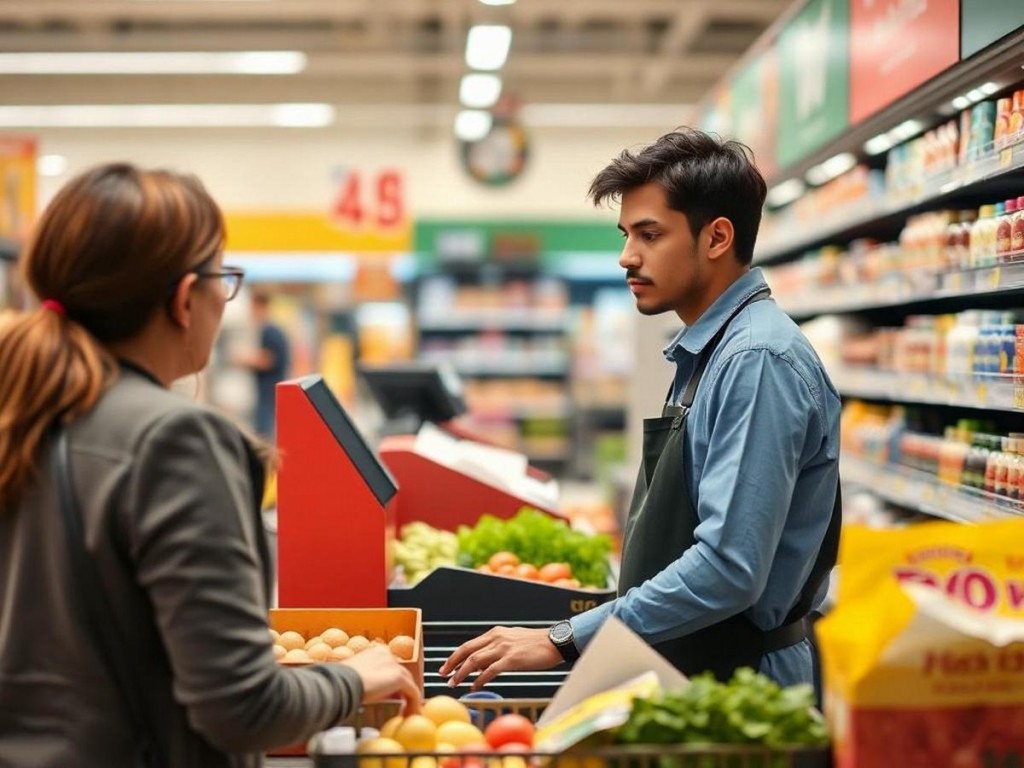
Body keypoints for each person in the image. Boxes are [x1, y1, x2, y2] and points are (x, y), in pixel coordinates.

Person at [0, 163, 419, 768]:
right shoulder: (175, 440)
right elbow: (242, 707)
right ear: (182, 299)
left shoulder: (23, 414)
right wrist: (354, 678)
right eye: (223, 278)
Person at [440, 129, 841, 690]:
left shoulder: (756, 361)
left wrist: (565, 637)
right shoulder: (710, 351)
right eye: (627, 234)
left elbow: (730, 569)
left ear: (717, 237)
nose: (627, 256)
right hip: (696, 664)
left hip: (739, 684)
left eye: (650, 235)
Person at [233, 291, 291, 438]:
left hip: (269, 389)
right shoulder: (270, 330)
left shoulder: (270, 331)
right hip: (266, 389)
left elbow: (268, 360)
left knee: (264, 432)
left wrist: (244, 360)